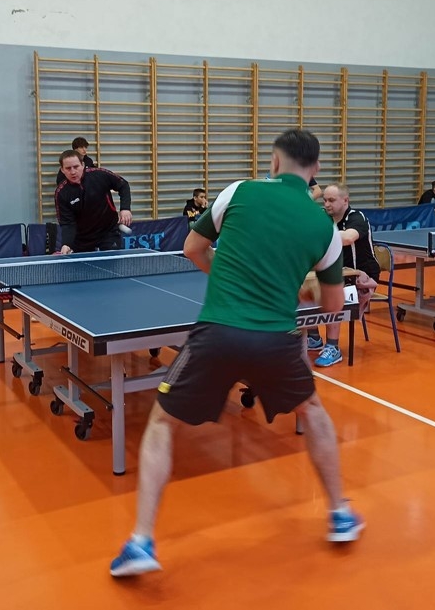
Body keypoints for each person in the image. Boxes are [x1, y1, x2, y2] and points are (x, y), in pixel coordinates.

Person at [108, 129, 364, 578]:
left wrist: (226, 278)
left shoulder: (238, 192)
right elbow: (331, 306)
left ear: (274, 162)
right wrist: (296, 290)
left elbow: (192, 248)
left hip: (218, 332)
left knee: (162, 422)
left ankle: (141, 541)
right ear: (315, 170)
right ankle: (340, 513)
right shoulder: (325, 228)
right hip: (276, 339)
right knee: (313, 412)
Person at [307, 183, 380, 367]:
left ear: (345, 200)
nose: (327, 204)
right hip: (338, 272)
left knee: (332, 291)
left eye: (331, 200)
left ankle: (333, 347)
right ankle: (314, 337)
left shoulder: (357, 217)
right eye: (325, 200)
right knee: (303, 288)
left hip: (363, 276)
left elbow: (347, 238)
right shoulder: (323, 217)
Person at [55, 150, 132, 253]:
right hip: (82, 239)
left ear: (82, 165)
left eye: (76, 167)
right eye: (68, 168)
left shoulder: (99, 175)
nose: (73, 172)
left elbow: (123, 185)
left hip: (108, 232)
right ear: (62, 170)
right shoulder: (61, 193)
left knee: (111, 261)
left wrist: (125, 208)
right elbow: (68, 223)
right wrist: (66, 244)